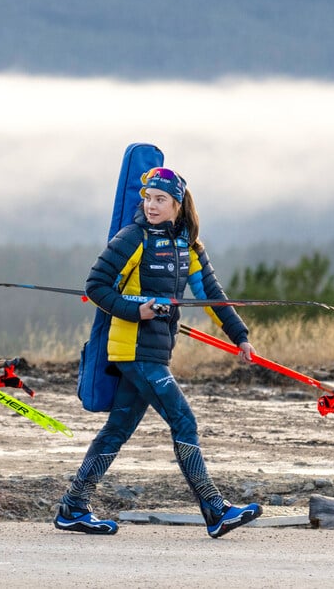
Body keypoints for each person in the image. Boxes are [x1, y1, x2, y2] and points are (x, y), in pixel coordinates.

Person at [54, 166, 263, 538]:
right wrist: (137, 310)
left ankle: (73, 508)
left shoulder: (188, 246)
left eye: (160, 200)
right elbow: (96, 287)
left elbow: (212, 297)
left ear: (177, 205)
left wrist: (239, 336)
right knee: (184, 421)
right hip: (133, 349)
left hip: (154, 351)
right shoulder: (133, 237)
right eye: (148, 198)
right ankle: (215, 509)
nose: (151, 206)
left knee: (116, 430)